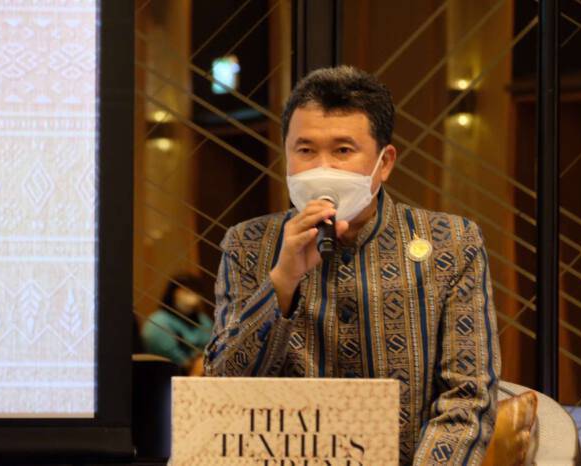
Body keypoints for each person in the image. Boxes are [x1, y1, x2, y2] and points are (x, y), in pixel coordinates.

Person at [204, 66, 500, 465]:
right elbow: (221, 391)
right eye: (305, 151)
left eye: (343, 151)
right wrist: (282, 281)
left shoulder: (452, 243)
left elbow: (467, 398)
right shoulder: (248, 244)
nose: (323, 167)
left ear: (384, 162)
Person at [142, 273, 213, 375]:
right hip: (166, 374)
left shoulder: (203, 319)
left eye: (196, 292)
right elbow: (170, 357)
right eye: (186, 292)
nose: (192, 297)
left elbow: (211, 346)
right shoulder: (158, 322)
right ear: (173, 293)